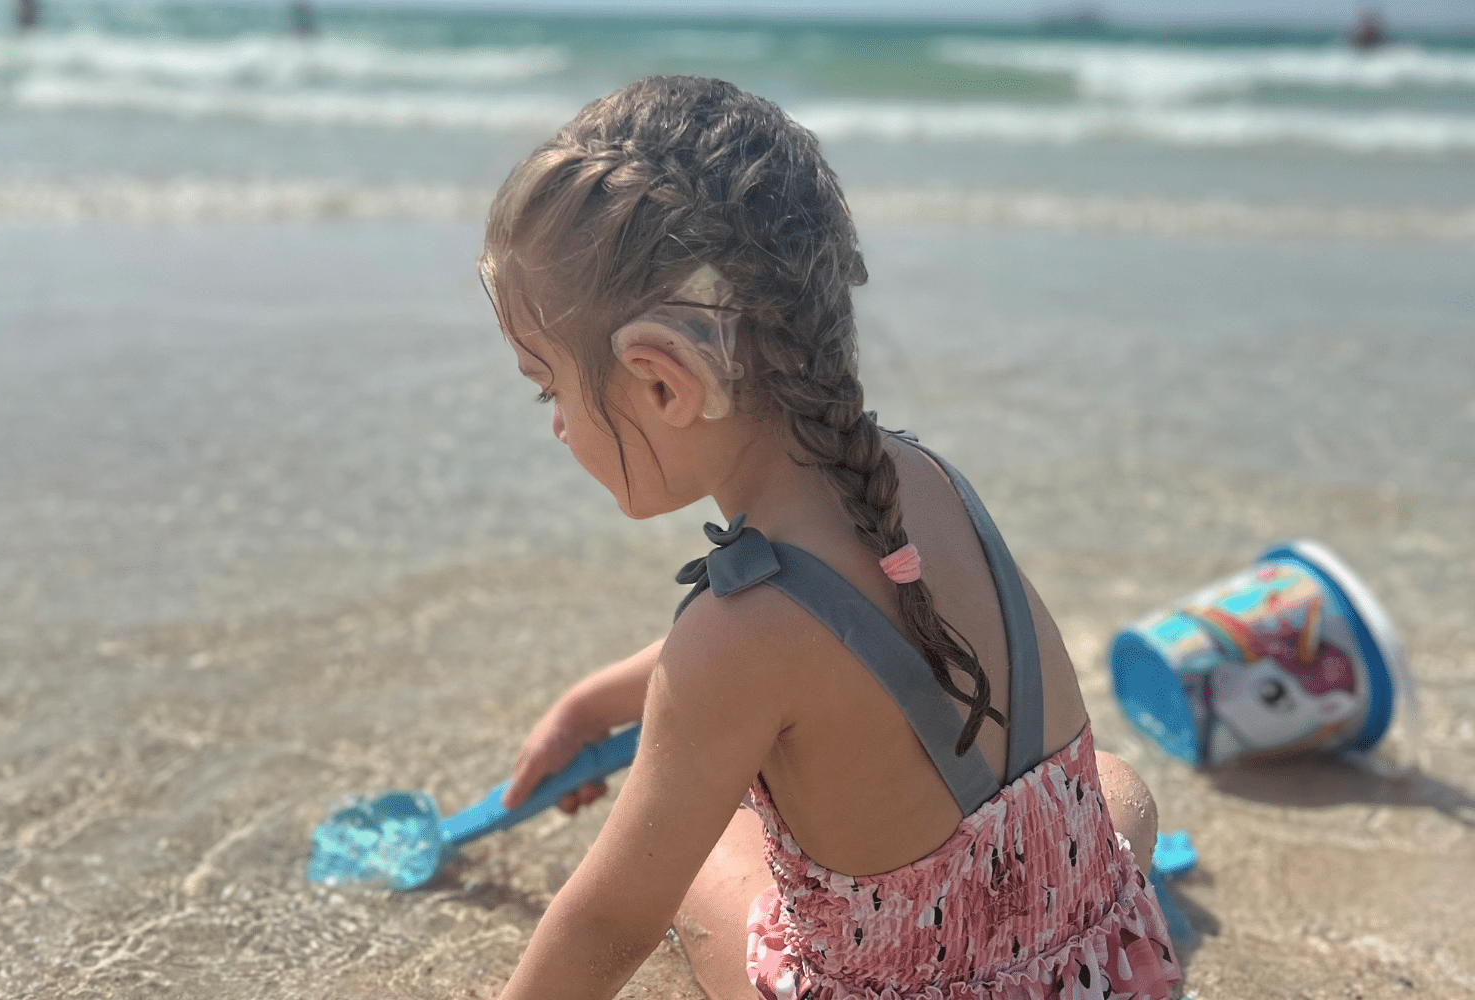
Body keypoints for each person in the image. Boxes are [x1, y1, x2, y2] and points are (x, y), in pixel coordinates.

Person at [481, 76, 1182, 1000]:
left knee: (701, 853)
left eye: (550, 389)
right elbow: (846, 632)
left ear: (663, 385)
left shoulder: (729, 650)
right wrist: (598, 701)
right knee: (1113, 783)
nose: (558, 426)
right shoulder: (920, 478)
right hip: (1101, 970)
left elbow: (608, 923)